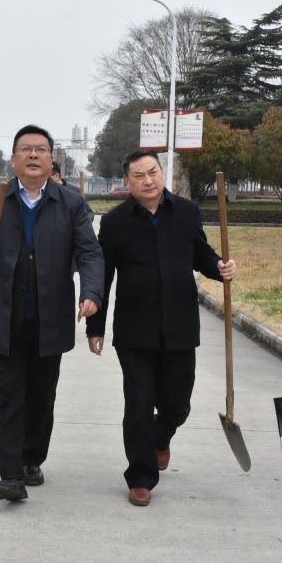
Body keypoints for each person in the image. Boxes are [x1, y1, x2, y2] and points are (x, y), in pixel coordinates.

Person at [0, 124, 103, 502]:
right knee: (7, 397)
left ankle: (31, 458)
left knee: (41, 398)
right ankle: (10, 475)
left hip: (48, 320)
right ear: (13, 159)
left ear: (52, 159)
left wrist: (91, 293)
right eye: (26, 149)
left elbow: (89, 252)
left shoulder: (70, 203)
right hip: (1, 319)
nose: (34, 155)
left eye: (41, 149)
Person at [86, 150, 236, 507]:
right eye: (139, 175)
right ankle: (140, 476)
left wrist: (219, 267)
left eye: (153, 172)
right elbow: (103, 277)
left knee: (177, 406)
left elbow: (201, 254)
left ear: (161, 172)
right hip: (135, 331)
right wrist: (96, 327)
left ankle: (160, 437)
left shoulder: (186, 212)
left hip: (180, 327)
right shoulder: (115, 222)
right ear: (127, 181)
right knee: (138, 404)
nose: (148, 180)